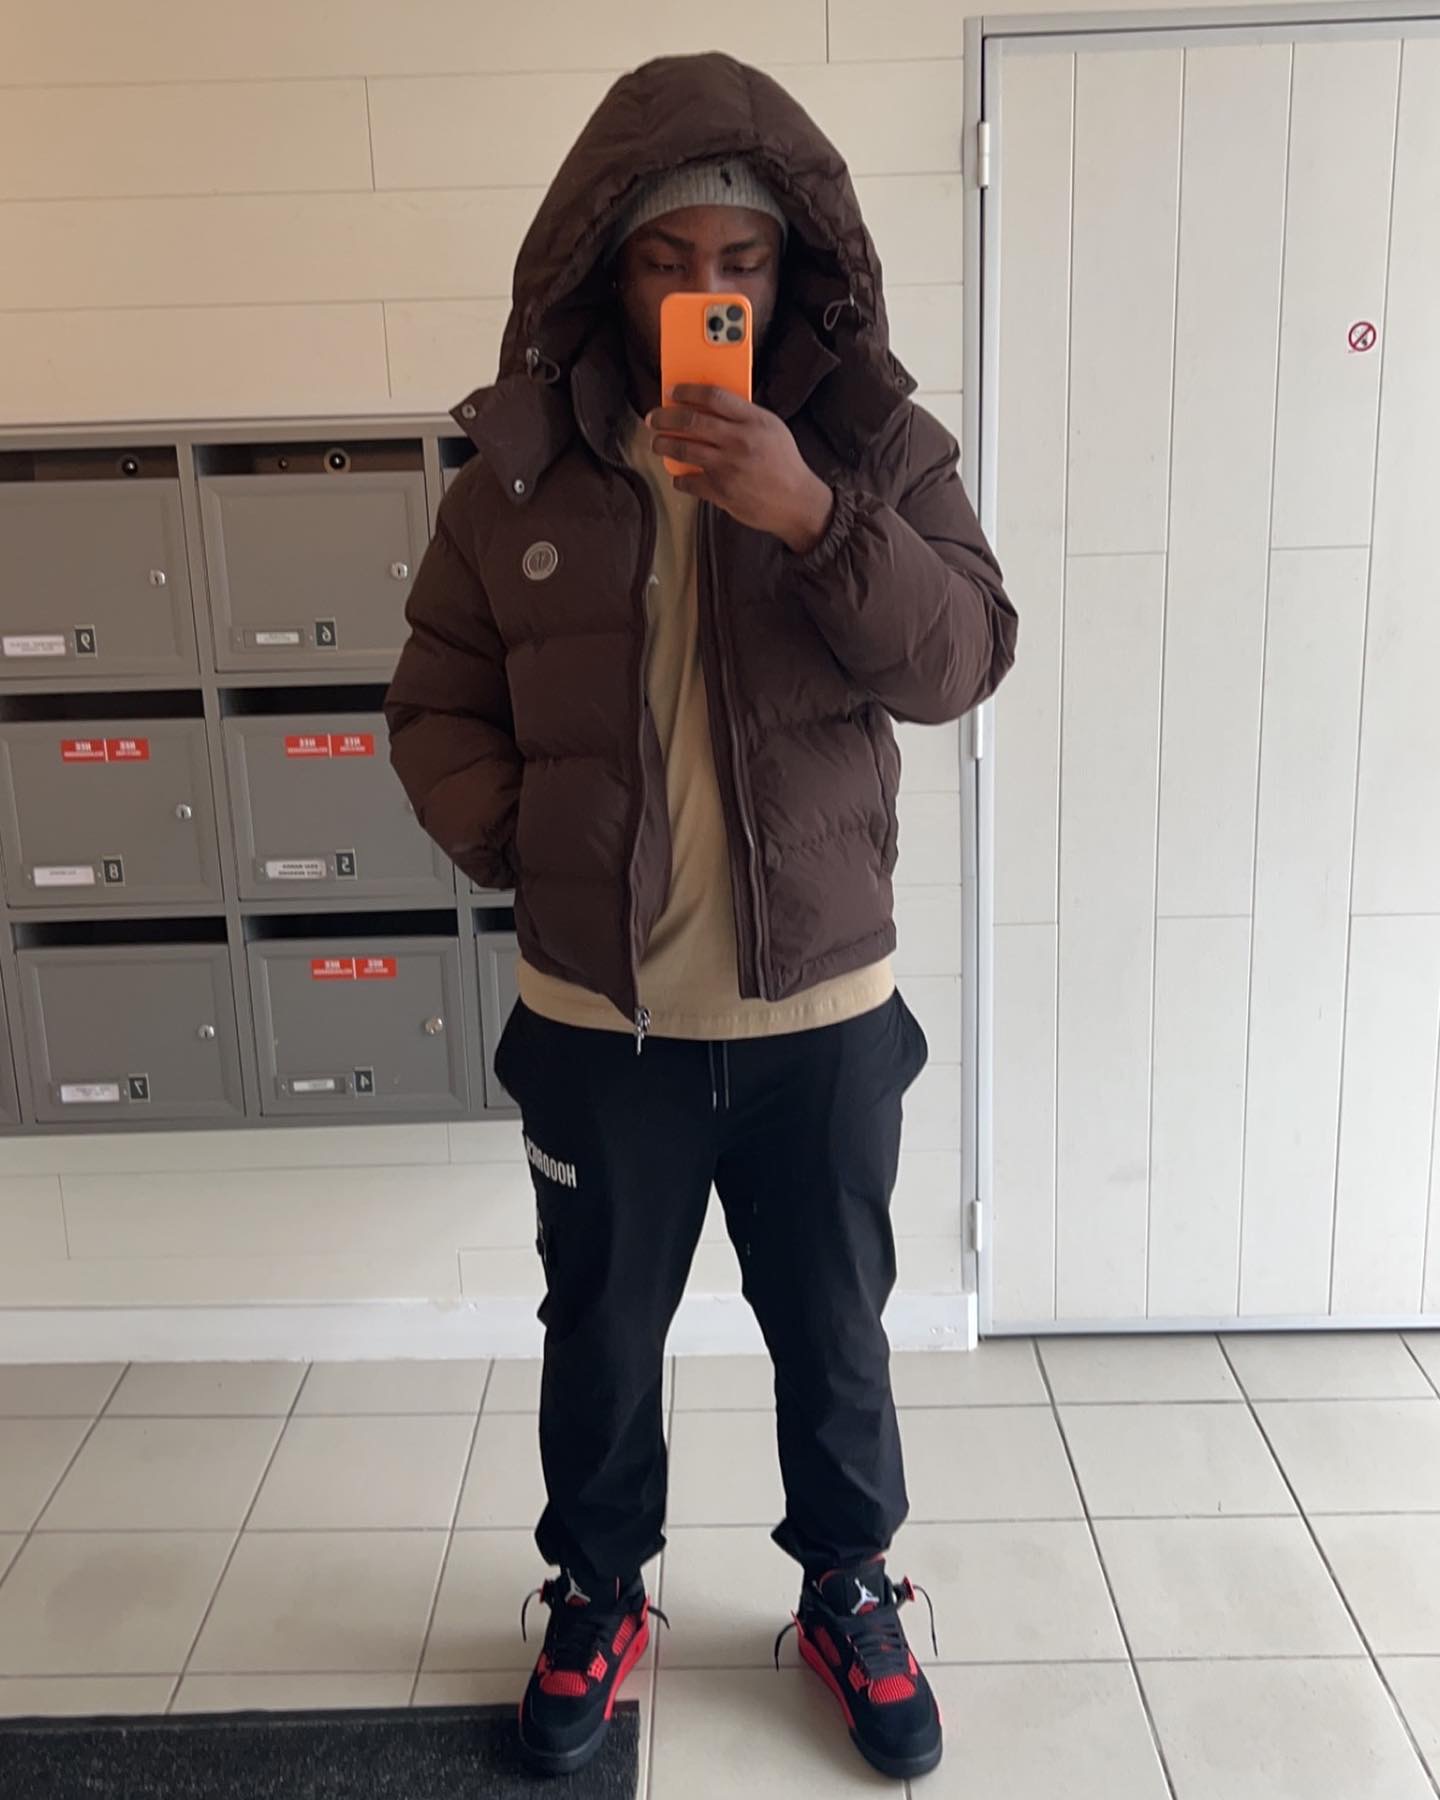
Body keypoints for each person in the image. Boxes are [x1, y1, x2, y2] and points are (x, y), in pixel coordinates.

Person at [386, 50, 1016, 1783]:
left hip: (824, 1019)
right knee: (597, 1339)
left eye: (739, 260)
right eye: (666, 261)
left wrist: (816, 515)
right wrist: (528, 842)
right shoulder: (516, 474)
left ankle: (847, 1588)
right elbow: (433, 703)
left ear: (792, 268)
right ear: (607, 271)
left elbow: (964, 656)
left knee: (836, 1334)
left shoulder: (874, 445)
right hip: (602, 1026)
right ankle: (598, 1590)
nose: (704, 291)